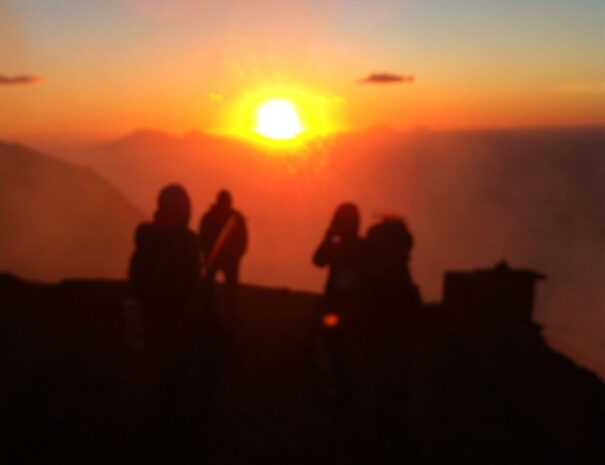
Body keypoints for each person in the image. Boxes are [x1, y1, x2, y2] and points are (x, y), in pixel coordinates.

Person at [128, 184, 200, 377]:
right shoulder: (188, 247)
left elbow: (134, 291)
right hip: (166, 323)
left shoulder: (147, 244)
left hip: (159, 323)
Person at [198, 189, 247, 288]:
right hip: (215, 257)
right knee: (208, 286)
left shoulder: (236, 219)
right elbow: (203, 237)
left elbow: (243, 239)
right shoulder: (209, 218)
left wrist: (237, 256)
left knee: (230, 287)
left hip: (229, 259)